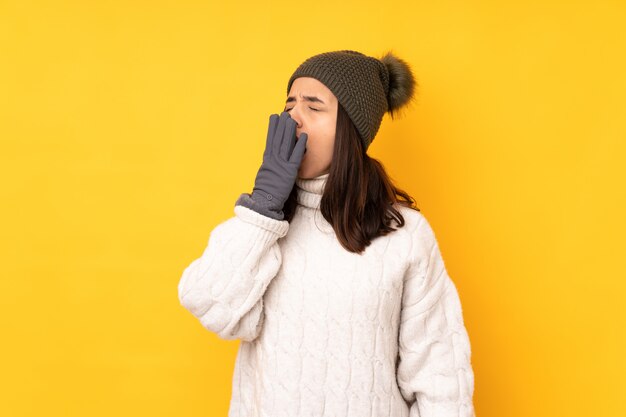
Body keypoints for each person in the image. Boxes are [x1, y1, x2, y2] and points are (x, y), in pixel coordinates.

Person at [178, 49, 476, 417]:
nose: (293, 120)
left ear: (351, 128)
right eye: (289, 106)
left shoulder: (405, 234)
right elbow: (208, 305)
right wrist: (264, 205)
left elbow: (439, 377)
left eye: (313, 107)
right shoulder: (264, 228)